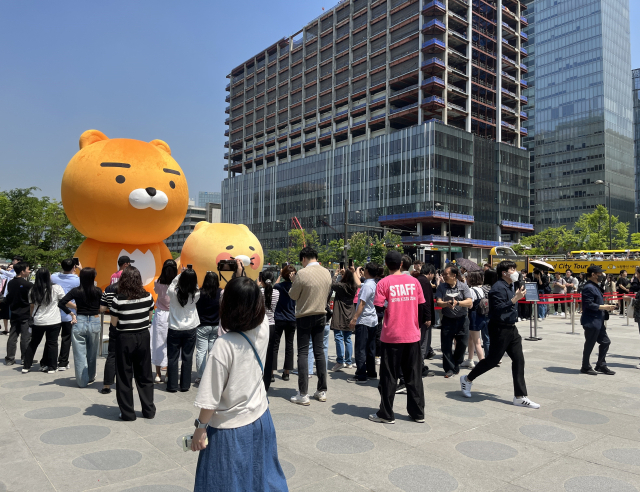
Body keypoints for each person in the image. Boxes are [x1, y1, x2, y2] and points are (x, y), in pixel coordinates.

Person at [191, 276, 288, 491]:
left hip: (230, 429)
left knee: (226, 483)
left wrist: (200, 428)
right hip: (261, 417)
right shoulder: (262, 328)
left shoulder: (224, 346)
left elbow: (210, 398)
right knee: (261, 477)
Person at [460, 260, 540, 409]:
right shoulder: (497, 288)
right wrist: (514, 299)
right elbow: (497, 309)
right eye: (512, 269)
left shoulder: (511, 285)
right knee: (492, 361)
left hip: (511, 328)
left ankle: (520, 396)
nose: (515, 272)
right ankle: (467, 378)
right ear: (504, 273)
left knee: (519, 360)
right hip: (499, 328)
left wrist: (516, 296)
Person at [369, 251, 426, 424]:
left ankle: (386, 413)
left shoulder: (383, 283)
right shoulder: (414, 282)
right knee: (414, 375)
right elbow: (422, 306)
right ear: (401, 264)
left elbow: (378, 308)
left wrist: (390, 305)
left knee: (389, 376)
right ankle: (418, 413)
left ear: (386, 265)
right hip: (412, 334)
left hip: (391, 335)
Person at [109, 266, 156, 420]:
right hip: (143, 336)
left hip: (124, 338)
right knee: (145, 375)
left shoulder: (118, 299)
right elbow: (149, 317)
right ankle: (148, 410)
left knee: (124, 376)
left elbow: (114, 323)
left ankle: (128, 413)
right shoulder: (148, 296)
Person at [288, 246, 332, 406]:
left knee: (303, 353)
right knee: (319, 352)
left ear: (304, 258)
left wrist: (294, 282)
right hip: (321, 314)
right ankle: (322, 390)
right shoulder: (327, 272)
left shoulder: (302, 273)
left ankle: (303, 393)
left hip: (304, 315)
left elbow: (293, 295)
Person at [58, 268, 103, 387]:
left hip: (80, 320)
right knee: (92, 352)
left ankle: (82, 381)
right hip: (94, 320)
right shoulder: (98, 291)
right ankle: (91, 376)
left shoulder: (76, 291)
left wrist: (71, 313)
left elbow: (61, 303)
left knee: (79, 354)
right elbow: (104, 305)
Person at [22, 268, 66, 374]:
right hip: (53, 320)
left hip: (38, 321)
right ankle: (52, 366)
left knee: (34, 343)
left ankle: (26, 366)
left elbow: (32, 306)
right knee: (52, 343)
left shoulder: (33, 290)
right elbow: (63, 300)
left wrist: (31, 317)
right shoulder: (56, 288)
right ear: (48, 276)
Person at [166, 268, 200, 393]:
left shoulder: (173, 292)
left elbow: (172, 284)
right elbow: (194, 285)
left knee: (172, 357)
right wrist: (190, 276)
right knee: (188, 357)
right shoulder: (196, 294)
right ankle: (185, 385)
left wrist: (181, 274)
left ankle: (172, 386)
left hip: (174, 328)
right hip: (190, 327)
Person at [436, 265, 473, 378]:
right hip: (447, 320)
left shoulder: (463, 286)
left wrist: (458, 303)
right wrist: (446, 304)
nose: (444, 276)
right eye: (444, 274)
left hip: (462, 319)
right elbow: (438, 302)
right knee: (446, 345)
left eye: (446, 274)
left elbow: (469, 302)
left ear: (454, 275)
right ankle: (449, 368)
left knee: (462, 344)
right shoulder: (442, 287)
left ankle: (457, 363)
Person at [580, 265, 616, 376]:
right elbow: (589, 304)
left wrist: (605, 307)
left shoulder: (595, 286)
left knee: (606, 341)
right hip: (591, 321)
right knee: (590, 344)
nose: (602, 275)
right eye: (599, 273)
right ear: (593, 274)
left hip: (598, 320)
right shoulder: (588, 287)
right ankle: (585, 366)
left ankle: (601, 365)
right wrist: (605, 307)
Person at [348, 263, 380, 383]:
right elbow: (358, 283)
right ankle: (371, 372)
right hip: (372, 320)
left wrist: (354, 319)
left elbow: (362, 303)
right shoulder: (372, 283)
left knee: (360, 348)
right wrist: (354, 271)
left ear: (366, 271)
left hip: (364, 320)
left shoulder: (367, 286)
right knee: (371, 348)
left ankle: (361, 375)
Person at [51, 258, 81, 371]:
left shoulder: (54, 277)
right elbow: (88, 280)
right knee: (66, 339)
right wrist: (80, 268)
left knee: (52, 340)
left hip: (54, 314)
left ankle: (50, 362)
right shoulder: (77, 280)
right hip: (70, 314)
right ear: (74, 267)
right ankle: (63, 363)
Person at [151, 259, 178, 383]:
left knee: (158, 343)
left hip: (160, 314)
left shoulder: (158, 282)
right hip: (173, 315)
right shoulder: (177, 284)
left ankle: (157, 374)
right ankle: (168, 373)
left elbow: (157, 292)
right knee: (171, 345)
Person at [330, 267, 360, 371]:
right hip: (350, 313)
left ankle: (340, 361)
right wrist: (347, 273)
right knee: (348, 338)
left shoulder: (341, 286)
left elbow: (332, 284)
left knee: (338, 337)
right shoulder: (354, 286)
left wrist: (336, 273)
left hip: (340, 314)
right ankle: (348, 361)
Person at [195, 271, 222, 385]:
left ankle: (201, 376)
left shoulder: (200, 293)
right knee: (212, 352)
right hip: (216, 325)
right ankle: (212, 375)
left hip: (202, 325)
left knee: (201, 352)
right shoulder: (220, 292)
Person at [271, 265, 297, 383]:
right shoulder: (296, 287)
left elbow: (273, 287)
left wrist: (280, 275)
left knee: (274, 345)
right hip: (291, 319)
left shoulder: (278, 286)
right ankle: (286, 372)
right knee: (289, 345)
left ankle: (271, 373)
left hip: (279, 318)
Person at [4, 262, 32, 365]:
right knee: (25, 338)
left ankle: (10, 358)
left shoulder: (11, 283)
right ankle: (25, 358)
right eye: (28, 269)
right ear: (22, 271)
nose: (29, 271)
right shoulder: (28, 285)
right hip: (25, 314)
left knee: (13, 336)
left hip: (14, 313)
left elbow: (9, 297)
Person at [259, 270, 280, 390]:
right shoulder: (277, 292)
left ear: (261, 279)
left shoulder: (259, 292)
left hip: (260, 325)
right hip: (272, 325)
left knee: (258, 354)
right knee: (269, 355)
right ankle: (266, 383)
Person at [462, 271, 486, 369]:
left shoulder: (471, 290)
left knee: (477, 342)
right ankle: (470, 360)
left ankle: (482, 362)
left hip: (474, 316)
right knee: (471, 339)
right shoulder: (481, 289)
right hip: (481, 316)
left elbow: (470, 304)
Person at [99, 281, 119, 394]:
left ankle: (106, 385)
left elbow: (102, 308)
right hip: (128, 326)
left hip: (113, 324)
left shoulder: (108, 289)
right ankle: (124, 383)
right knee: (127, 357)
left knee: (112, 355)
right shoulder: (131, 289)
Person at [417, 263, 436, 368]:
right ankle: (420, 365)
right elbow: (426, 302)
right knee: (424, 342)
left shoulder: (416, 280)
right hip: (424, 318)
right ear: (430, 273)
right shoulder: (425, 282)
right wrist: (428, 317)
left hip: (417, 316)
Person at [481, 269, 498, 357]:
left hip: (486, 314)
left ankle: (489, 357)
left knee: (486, 337)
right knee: (495, 337)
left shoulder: (484, 288)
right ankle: (497, 357)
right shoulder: (498, 287)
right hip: (496, 314)